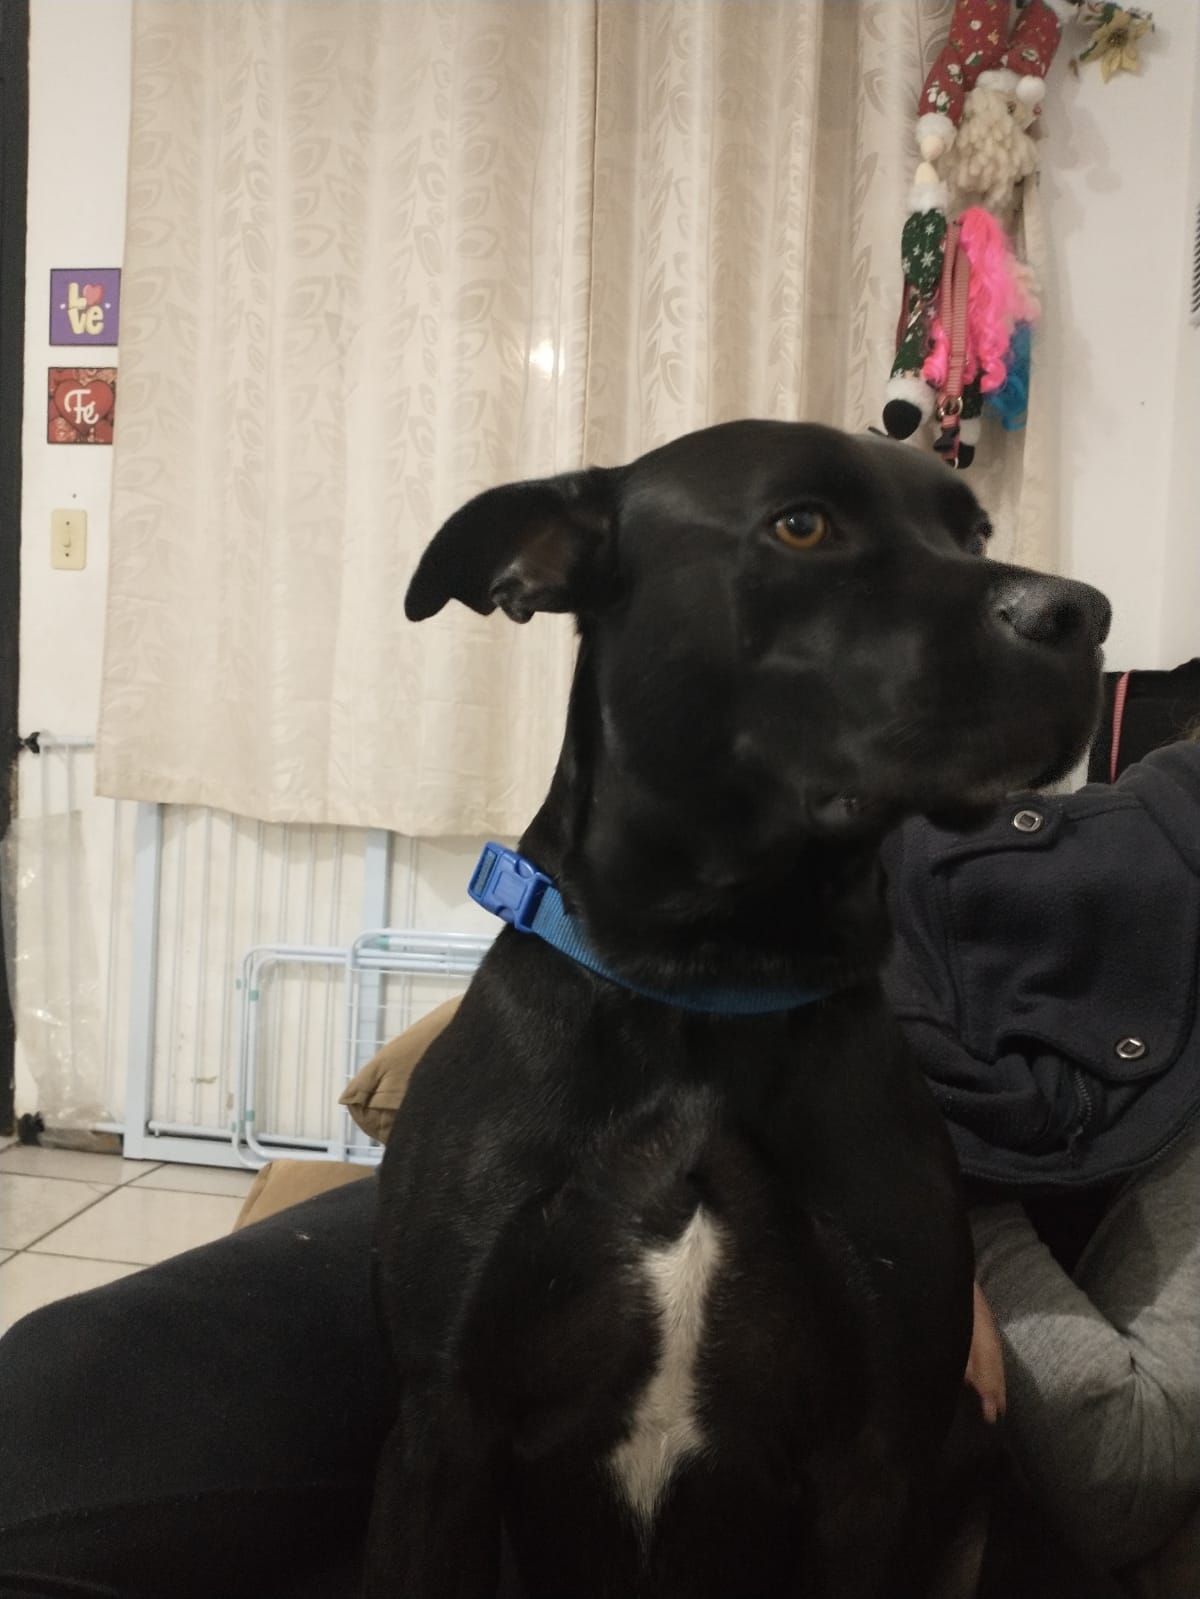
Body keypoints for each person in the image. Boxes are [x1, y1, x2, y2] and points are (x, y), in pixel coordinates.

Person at [1, 740, 1198, 1598]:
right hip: (599, 1108)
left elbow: (1123, 1465)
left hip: (876, 1207)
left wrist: (944, 1225)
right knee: (58, 1423)